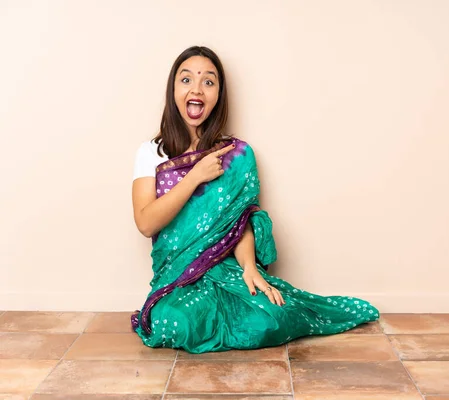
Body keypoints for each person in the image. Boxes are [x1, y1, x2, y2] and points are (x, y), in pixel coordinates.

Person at [130, 45, 379, 353]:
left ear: (219, 95)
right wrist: (195, 176)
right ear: (173, 90)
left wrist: (249, 267)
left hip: (227, 268)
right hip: (177, 278)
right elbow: (145, 221)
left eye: (208, 81)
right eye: (186, 80)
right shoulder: (151, 152)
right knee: (175, 323)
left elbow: (240, 221)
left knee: (272, 317)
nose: (197, 89)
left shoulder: (235, 155)